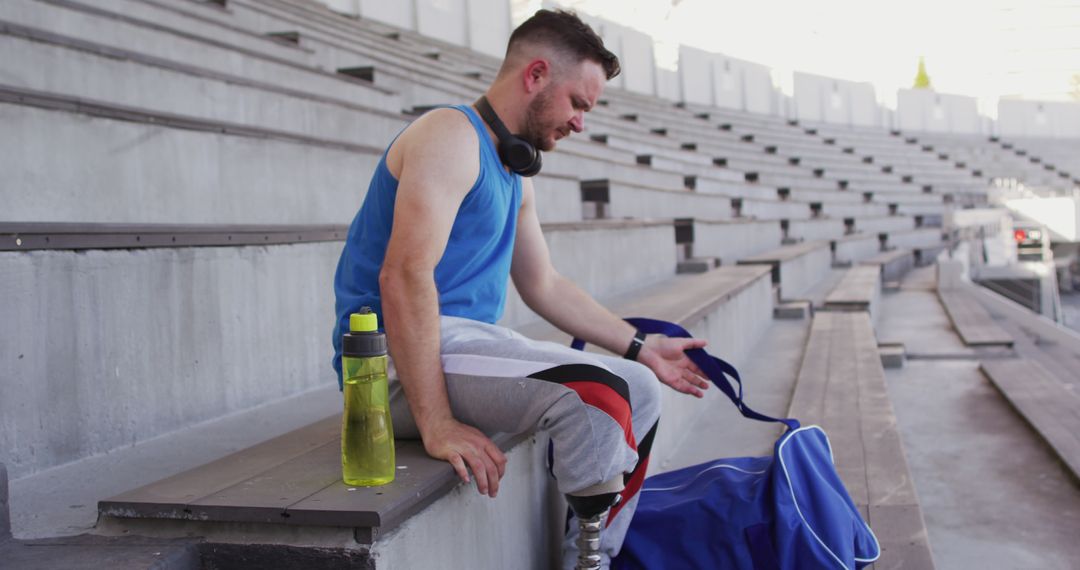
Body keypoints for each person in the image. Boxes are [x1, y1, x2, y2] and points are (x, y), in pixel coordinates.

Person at [331, 9, 709, 568]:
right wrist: (436, 422)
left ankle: (594, 557)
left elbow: (546, 285)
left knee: (641, 389)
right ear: (535, 75)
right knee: (597, 396)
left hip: (466, 347)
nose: (581, 122)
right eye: (578, 103)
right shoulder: (448, 135)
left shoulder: (513, 173)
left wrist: (640, 347)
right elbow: (403, 276)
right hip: (391, 367)